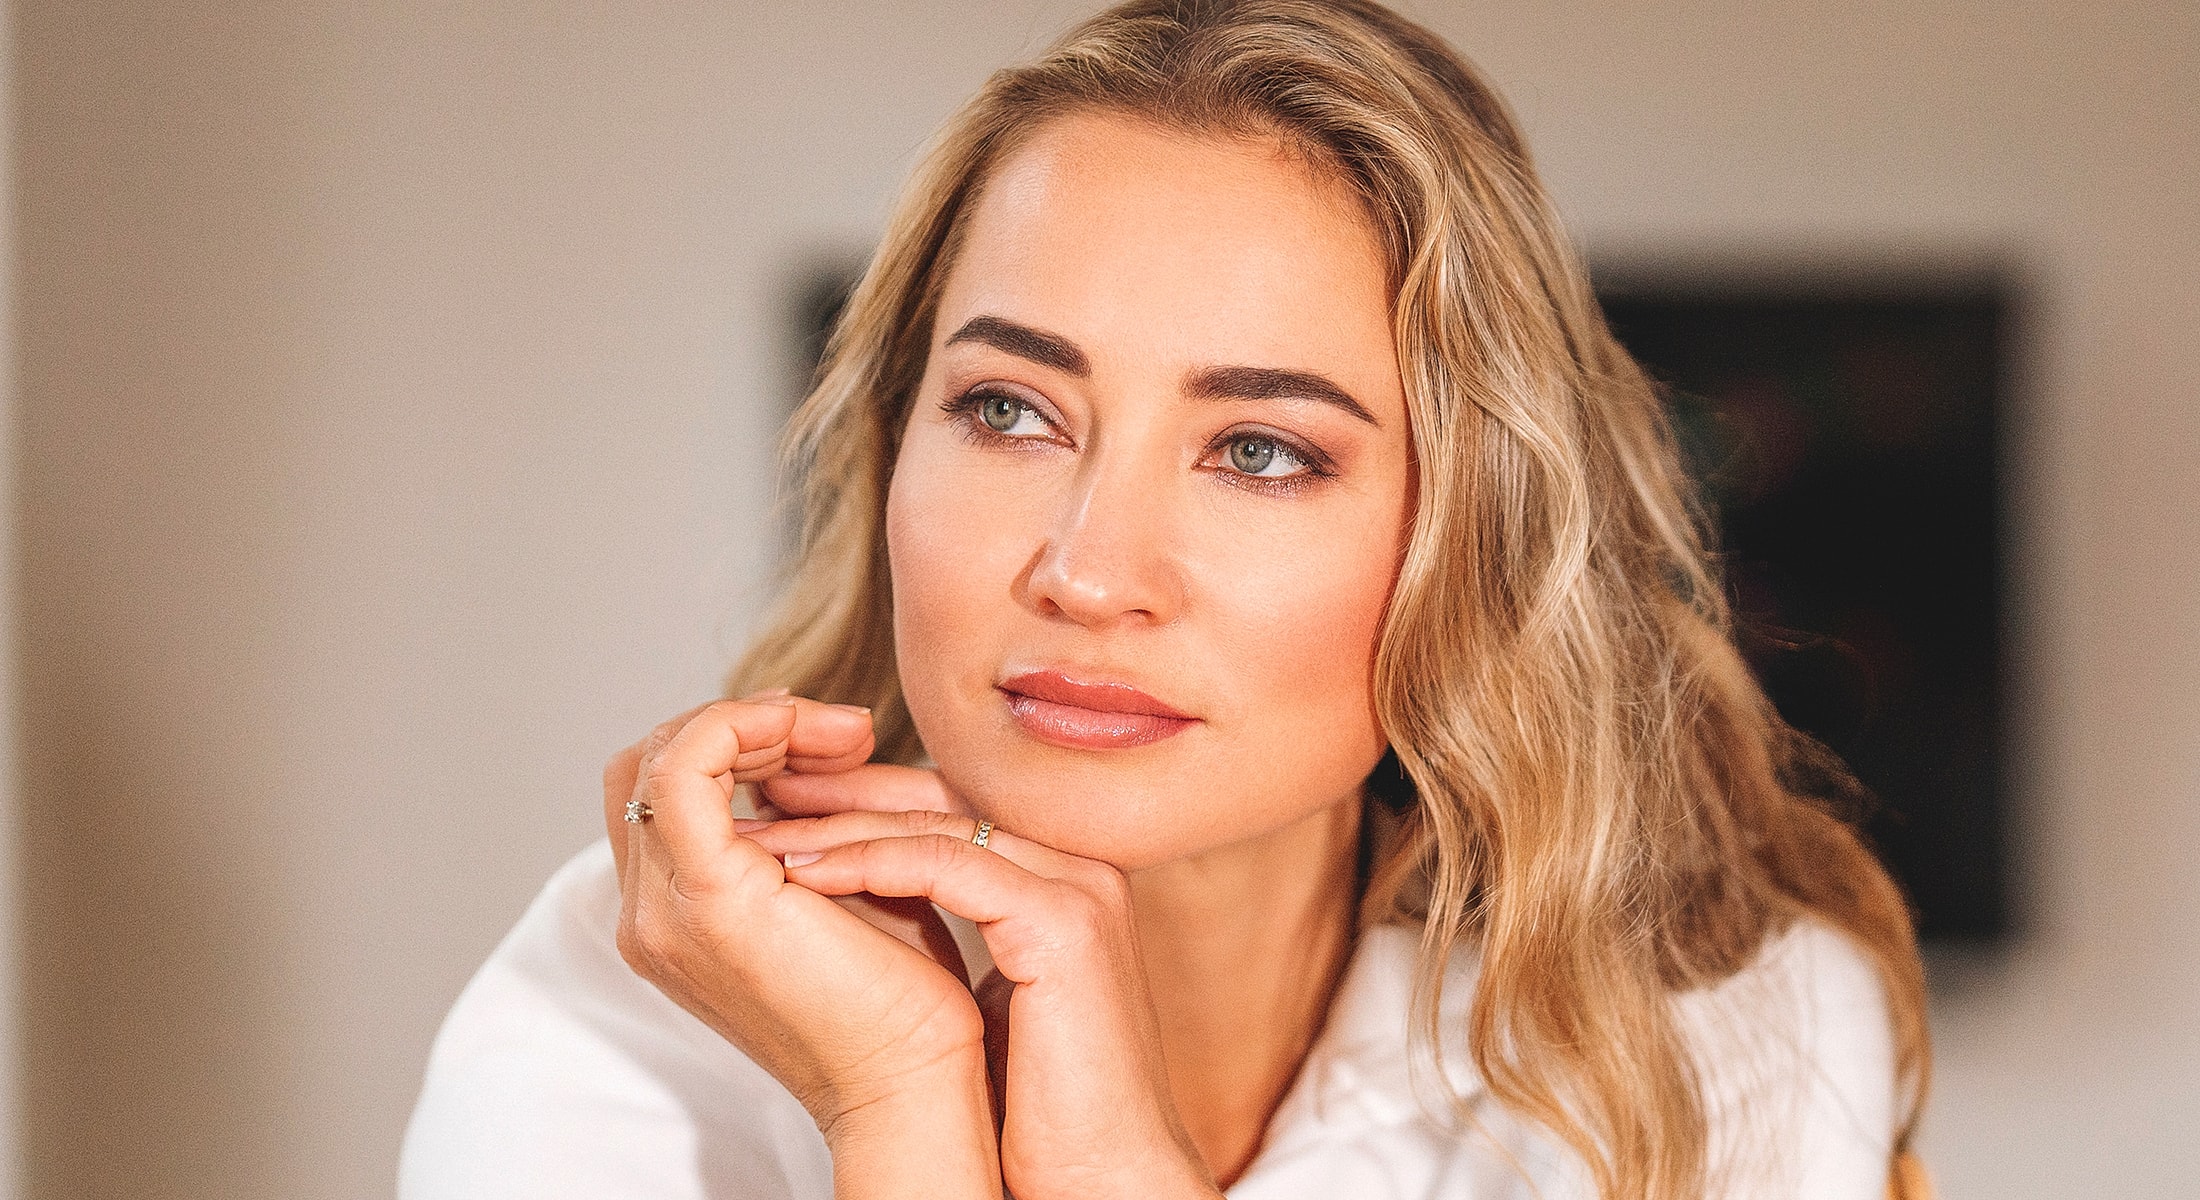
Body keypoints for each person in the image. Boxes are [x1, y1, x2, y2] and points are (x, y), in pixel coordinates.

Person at [399, 1, 1932, 1197]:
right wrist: (899, 1096)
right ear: (889, 449)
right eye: (1008, 410)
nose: (1085, 570)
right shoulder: (626, 1025)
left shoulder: (1717, 1033)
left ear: (1476, 536)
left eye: (1260, 450)